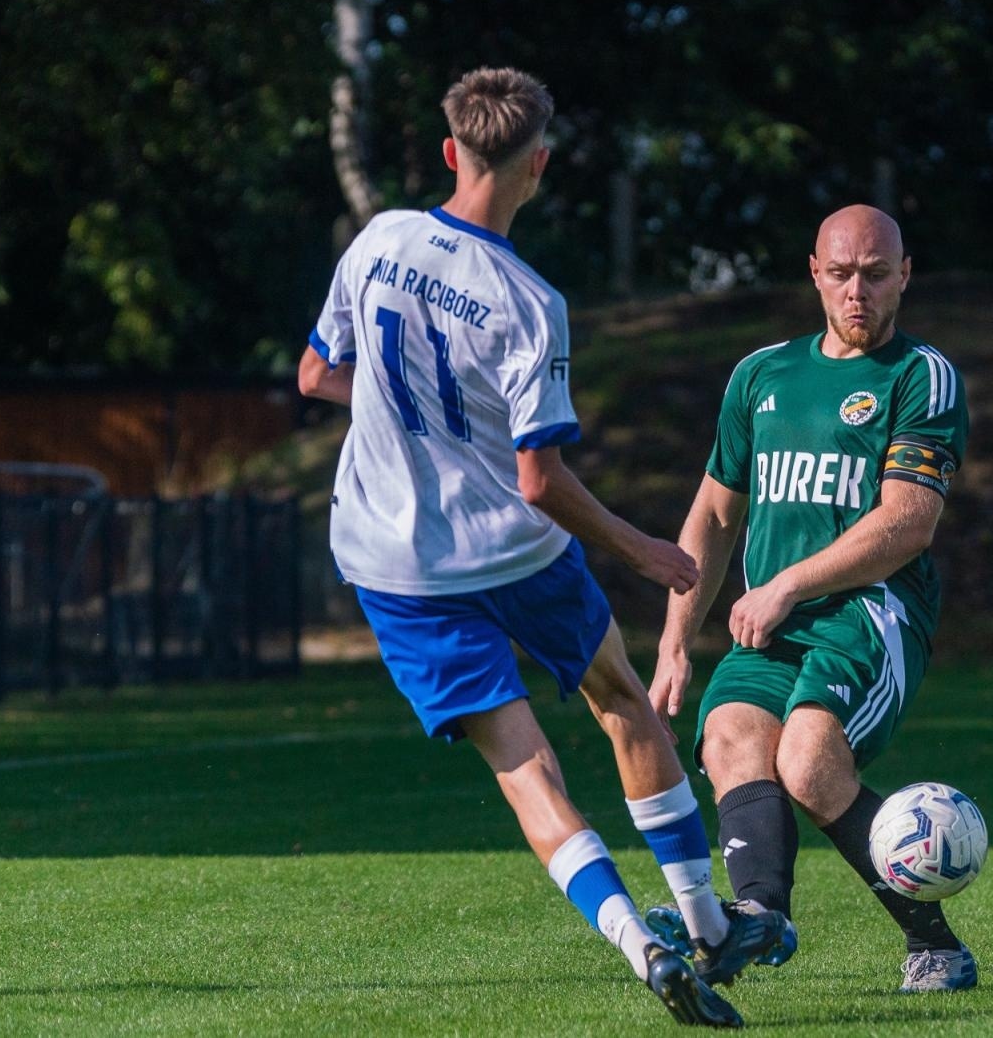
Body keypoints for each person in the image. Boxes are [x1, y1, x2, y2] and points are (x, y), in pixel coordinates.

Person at [297, 67, 787, 1028]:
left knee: (526, 772)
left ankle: (638, 943)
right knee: (620, 699)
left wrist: (410, 425)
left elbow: (319, 373)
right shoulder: (529, 300)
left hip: (396, 568)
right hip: (515, 550)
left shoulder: (380, 238)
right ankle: (708, 924)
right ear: (541, 164)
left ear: (450, 151)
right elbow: (538, 481)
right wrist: (641, 546)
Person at [644, 205, 976, 994]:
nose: (856, 291)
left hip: (872, 614)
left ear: (904, 274)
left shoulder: (920, 375)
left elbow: (908, 523)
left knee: (807, 761)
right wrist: (672, 643)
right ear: (814, 274)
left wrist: (788, 583)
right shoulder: (761, 374)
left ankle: (936, 946)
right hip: (774, 622)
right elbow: (715, 515)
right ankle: (758, 920)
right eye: (840, 273)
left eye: (874, 273)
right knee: (728, 737)